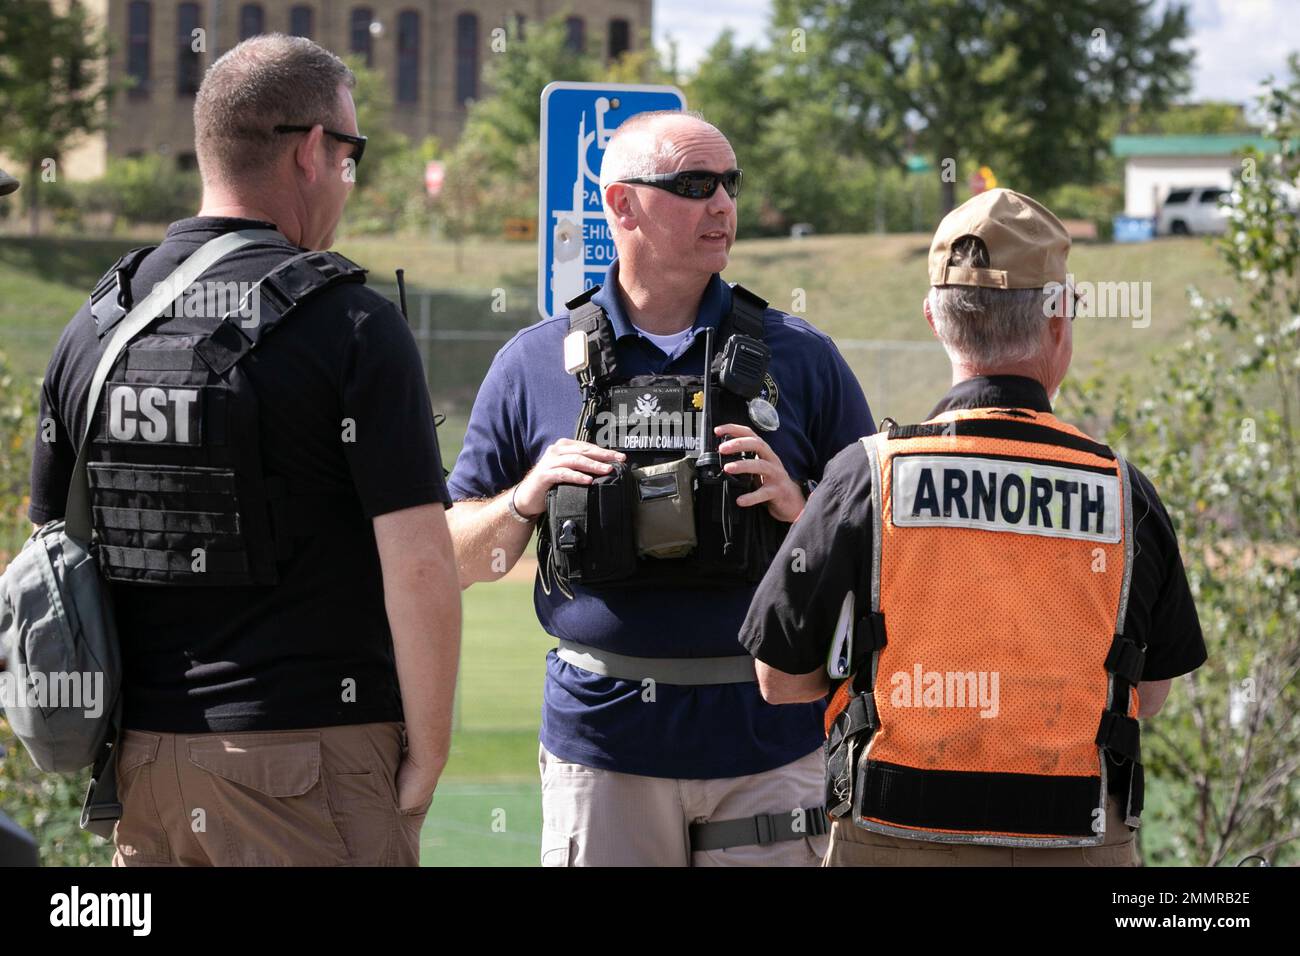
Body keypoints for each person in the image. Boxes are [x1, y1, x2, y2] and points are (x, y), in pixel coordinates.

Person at [26, 34, 460, 866]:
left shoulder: (95, 325)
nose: (349, 177)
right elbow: (419, 565)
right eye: (350, 153)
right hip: (310, 764)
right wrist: (427, 756)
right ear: (308, 152)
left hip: (142, 771)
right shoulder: (352, 325)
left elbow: (47, 562)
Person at [446, 111, 874, 866]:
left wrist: (801, 510)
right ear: (620, 205)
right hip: (604, 747)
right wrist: (527, 496)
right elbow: (450, 561)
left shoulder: (802, 358)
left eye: (729, 184)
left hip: (768, 746)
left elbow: (882, 563)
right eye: (693, 185)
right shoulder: (534, 361)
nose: (722, 205)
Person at [741, 188, 1207, 866]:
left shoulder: (867, 477)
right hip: (1075, 835)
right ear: (1058, 320)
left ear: (935, 317)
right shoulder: (1121, 490)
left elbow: (778, 678)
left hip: (894, 831)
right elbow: (1153, 693)